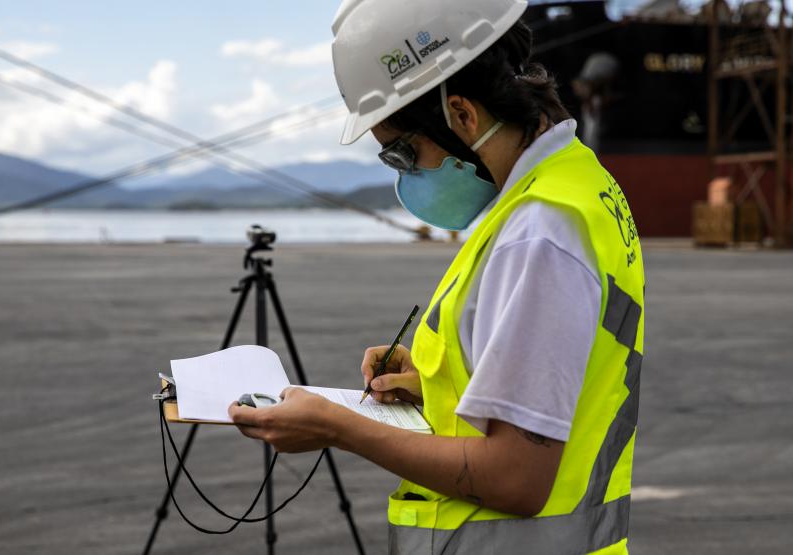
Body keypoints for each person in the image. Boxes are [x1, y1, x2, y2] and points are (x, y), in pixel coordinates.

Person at [228, 1, 646, 552]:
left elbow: (516, 479)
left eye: (399, 153)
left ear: (461, 115)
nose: (404, 174)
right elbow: (568, 372)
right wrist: (439, 386)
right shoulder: (572, 185)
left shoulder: (539, 233)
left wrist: (338, 427)